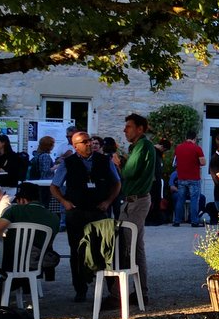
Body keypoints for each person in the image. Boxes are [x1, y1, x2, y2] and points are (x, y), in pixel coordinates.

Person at [51, 130, 121, 302]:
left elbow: (117, 183)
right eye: (84, 142)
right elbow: (54, 186)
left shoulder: (104, 160)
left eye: (89, 140)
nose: (89, 144)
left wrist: (108, 201)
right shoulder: (68, 163)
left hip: (98, 211)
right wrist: (65, 202)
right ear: (75, 146)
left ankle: (111, 291)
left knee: (105, 249)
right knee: (77, 251)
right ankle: (80, 288)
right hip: (77, 211)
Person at [0, 181, 61, 280]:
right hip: (36, 262)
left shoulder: (15, 210)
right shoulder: (54, 217)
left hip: (10, 262)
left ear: (22, 200)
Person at [120, 113, 157, 303]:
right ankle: (138, 291)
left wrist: (119, 163)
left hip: (136, 201)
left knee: (134, 247)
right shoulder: (139, 146)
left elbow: (130, 172)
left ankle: (141, 292)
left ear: (140, 129)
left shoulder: (143, 145)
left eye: (129, 126)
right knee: (133, 246)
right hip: (133, 201)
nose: (125, 130)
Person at [170, 130, 205, 226]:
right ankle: (194, 221)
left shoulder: (178, 148)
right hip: (194, 178)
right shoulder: (197, 148)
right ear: (194, 138)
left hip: (181, 178)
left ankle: (177, 221)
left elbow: (175, 162)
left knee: (180, 199)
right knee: (194, 199)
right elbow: (203, 162)